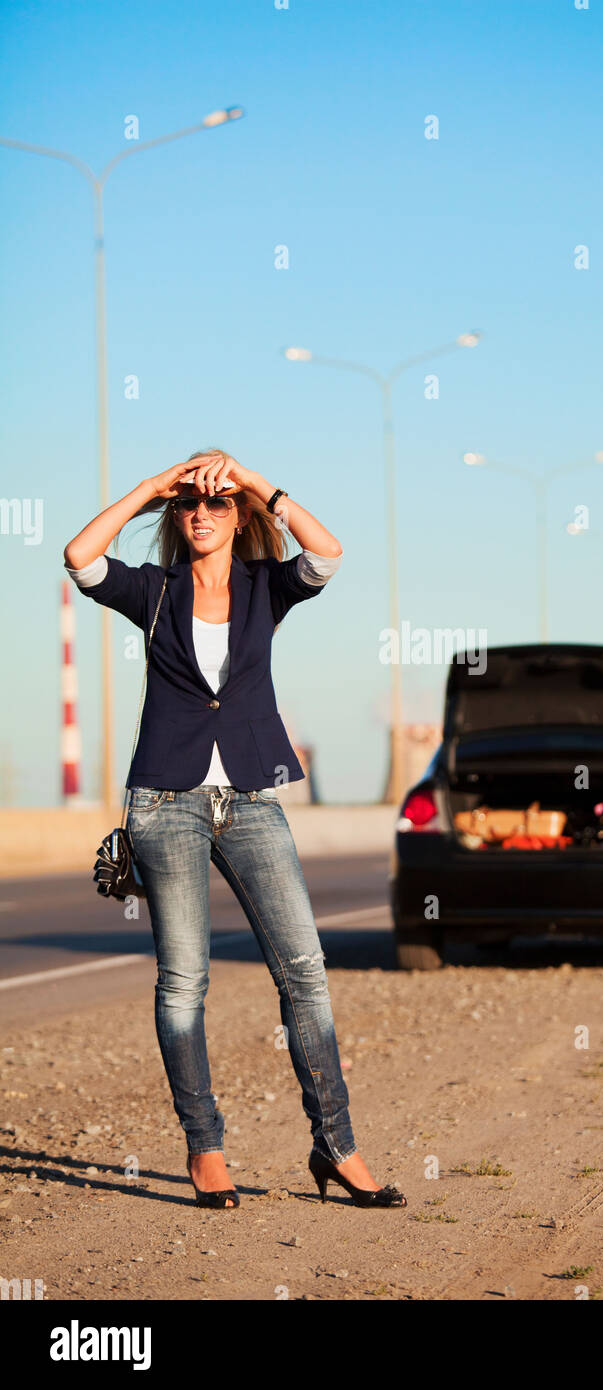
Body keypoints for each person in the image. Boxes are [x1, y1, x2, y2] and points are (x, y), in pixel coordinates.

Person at [63, 449, 406, 1210]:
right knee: (185, 985)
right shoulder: (153, 591)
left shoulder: (264, 588)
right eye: (190, 505)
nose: (202, 513)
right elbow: (80, 557)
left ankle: (338, 1146)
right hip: (165, 802)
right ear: (176, 518)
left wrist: (253, 479)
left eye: (217, 505)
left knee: (305, 972)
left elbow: (327, 552)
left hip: (251, 798)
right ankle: (205, 1147)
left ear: (239, 516)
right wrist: (155, 485)